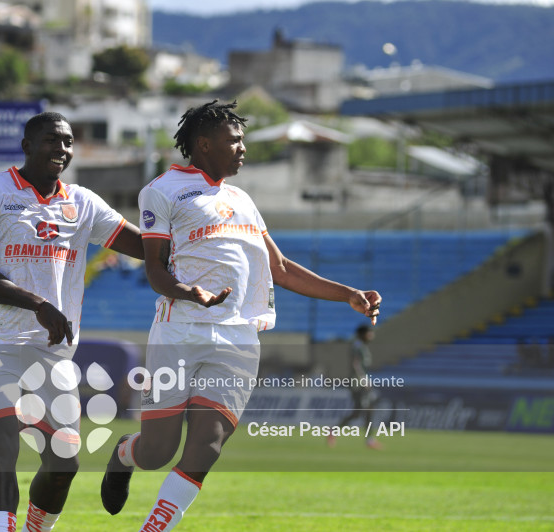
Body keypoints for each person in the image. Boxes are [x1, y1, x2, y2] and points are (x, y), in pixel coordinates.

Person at [100, 100, 382, 531]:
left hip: (238, 338)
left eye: (243, 140)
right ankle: (124, 454)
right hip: (180, 331)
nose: (243, 148)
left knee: (208, 443)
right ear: (204, 144)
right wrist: (189, 293)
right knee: (157, 452)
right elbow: (154, 269)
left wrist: (349, 295)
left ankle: (154, 527)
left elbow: (280, 268)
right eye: (234, 140)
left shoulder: (242, 199)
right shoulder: (162, 190)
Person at [0, 111, 144, 532]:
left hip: (51, 350)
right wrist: (38, 304)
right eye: (51, 140)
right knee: (2, 446)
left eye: (68, 142)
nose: (61, 149)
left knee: (64, 464)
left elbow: (145, 246)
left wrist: (193, 244)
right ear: (26, 146)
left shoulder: (83, 203)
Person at [327, 324, 382, 449]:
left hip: (361, 382)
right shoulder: (357, 346)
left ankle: (335, 431)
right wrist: (363, 380)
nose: (371, 335)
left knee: (363, 412)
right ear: (363, 334)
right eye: (369, 333)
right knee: (364, 411)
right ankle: (368, 440)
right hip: (358, 384)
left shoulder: (363, 346)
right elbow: (355, 364)